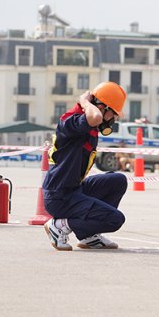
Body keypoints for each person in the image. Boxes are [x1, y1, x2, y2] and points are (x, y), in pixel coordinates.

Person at [43, 82, 128, 251]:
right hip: (60, 197)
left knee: (118, 181)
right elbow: (95, 117)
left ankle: (88, 236)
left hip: (75, 190)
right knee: (115, 219)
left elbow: (95, 119)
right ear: (101, 107)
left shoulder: (90, 125)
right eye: (113, 114)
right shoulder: (71, 121)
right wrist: (84, 101)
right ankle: (59, 225)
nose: (114, 119)